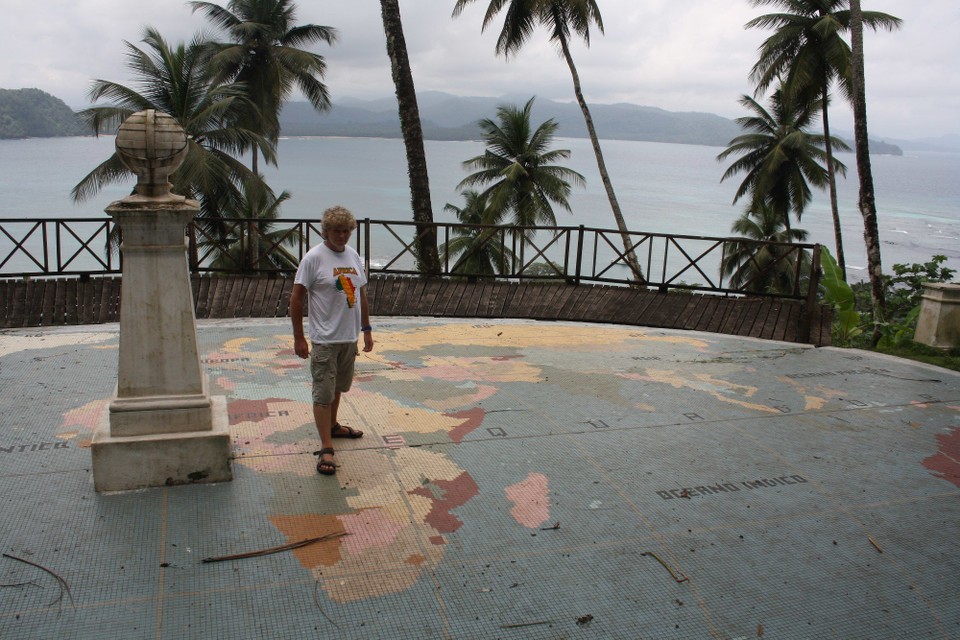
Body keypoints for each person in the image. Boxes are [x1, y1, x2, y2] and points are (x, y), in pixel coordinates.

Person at [290, 206, 374, 475]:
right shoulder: (314, 258)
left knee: (338, 386)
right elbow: (297, 298)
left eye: (346, 230)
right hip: (325, 339)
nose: (342, 235)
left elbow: (360, 295)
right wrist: (299, 337)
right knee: (323, 393)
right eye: (336, 230)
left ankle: (334, 427)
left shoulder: (353, 256)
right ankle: (326, 447)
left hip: (349, 337)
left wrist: (367, 329)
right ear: (325, 231)